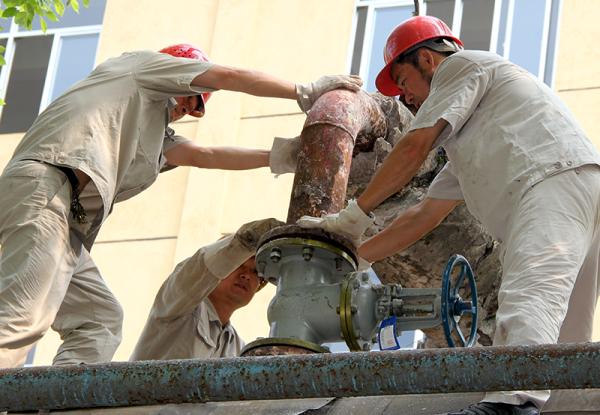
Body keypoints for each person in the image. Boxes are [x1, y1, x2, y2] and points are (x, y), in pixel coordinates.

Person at [298, 16, 600, 415]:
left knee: (528, 296)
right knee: (565, 338)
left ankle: (511, 404)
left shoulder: (461, 66)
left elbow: (414, 147)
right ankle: (561, 406)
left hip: (549, 183)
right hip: (574, 187)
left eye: (404, 81)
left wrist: (352, 217)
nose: (406, 98)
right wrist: (358, 257)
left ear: (427, 59)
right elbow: (424, 214)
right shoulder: (472, 138)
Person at [0, 43, 362, 368]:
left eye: (197, 106)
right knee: (22, 320)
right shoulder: (142, 67)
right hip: (47, 190)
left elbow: (205, 155)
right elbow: (229, 76)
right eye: (192, 96)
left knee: (99, 320)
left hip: (67, 223)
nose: (189, 108)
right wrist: (303, 91)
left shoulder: (152, 130)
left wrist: (282, 156)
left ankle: (54, 407)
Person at [131, 218, 283, 361]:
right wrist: (247, 240)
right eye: (238, 266)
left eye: (255, 271)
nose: (246, 276)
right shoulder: (179, 304)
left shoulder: (238, 348)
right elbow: (203, 266)